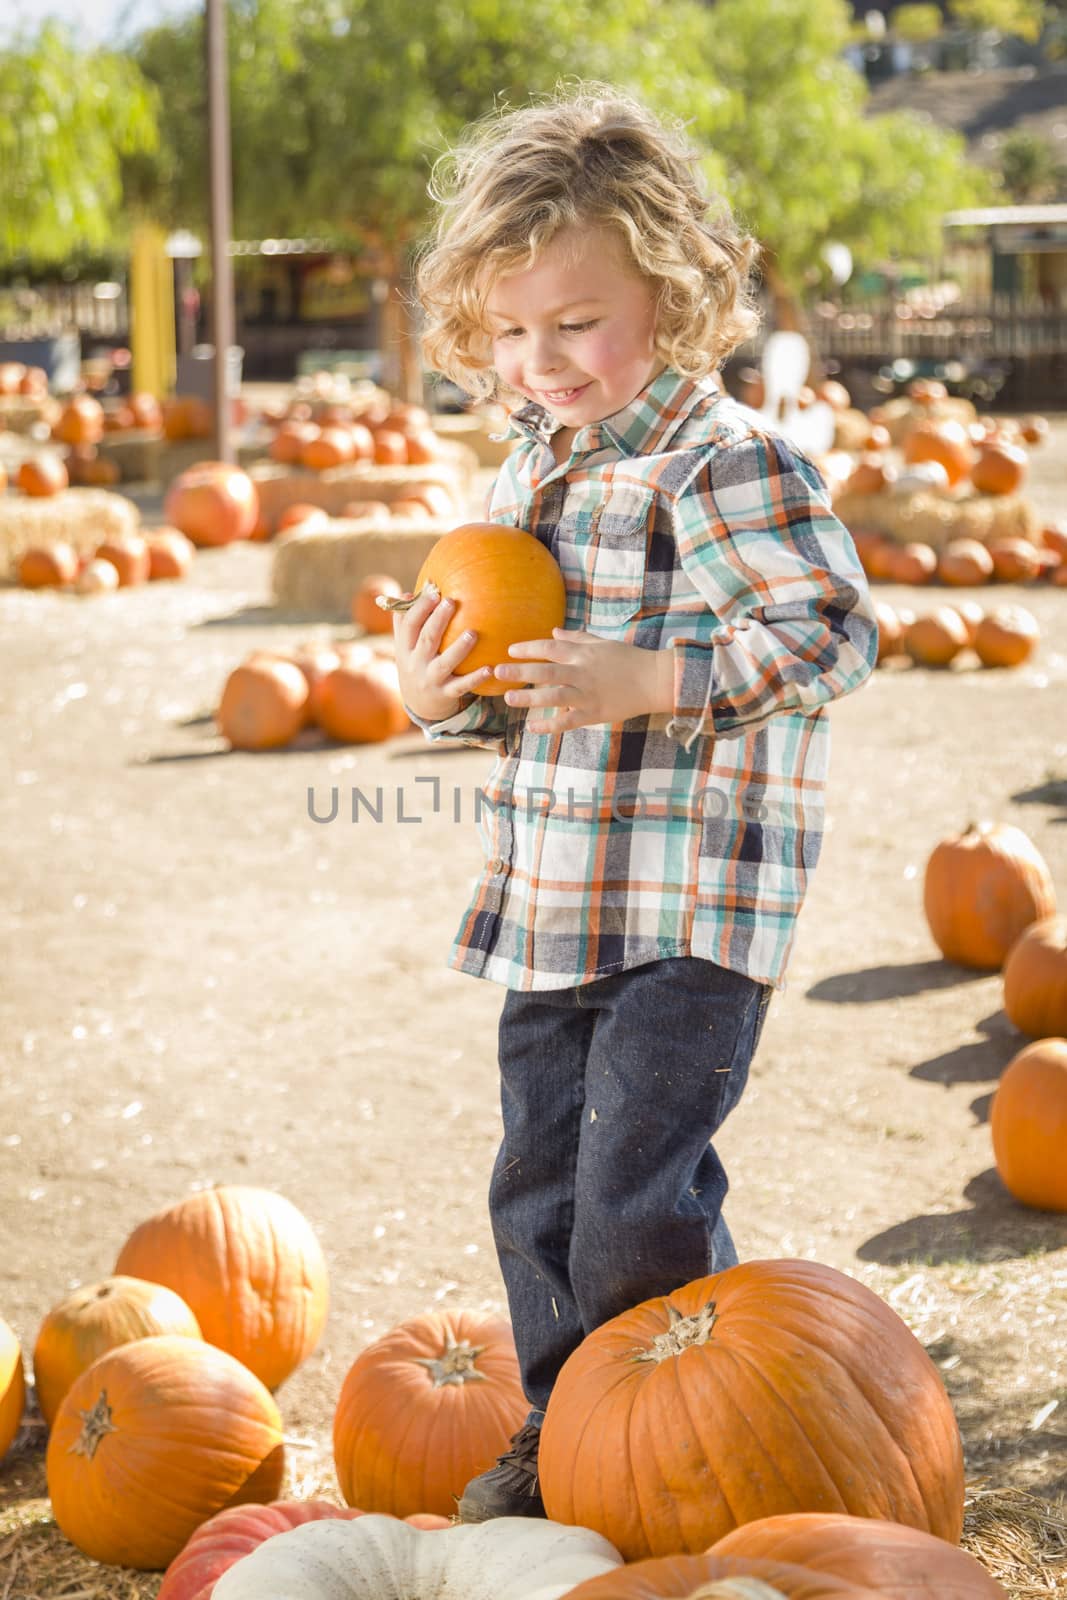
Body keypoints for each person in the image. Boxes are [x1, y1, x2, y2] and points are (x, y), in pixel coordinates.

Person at [392, 84, 877, 1522]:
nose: (541, 362)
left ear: (668, 295)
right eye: (512, 332)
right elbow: (525, 678)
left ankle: (695, 1438)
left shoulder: (726, 461)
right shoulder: (527, 464)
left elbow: (831, 636)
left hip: (690, 905)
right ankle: (570, 1433)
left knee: (630, 1204)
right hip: (557, 898)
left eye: (576, 324)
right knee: (534, 1191)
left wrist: (654, 680)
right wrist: (442, 700)